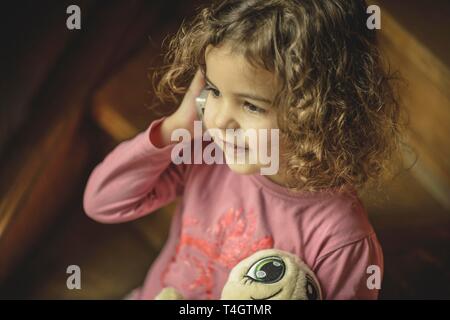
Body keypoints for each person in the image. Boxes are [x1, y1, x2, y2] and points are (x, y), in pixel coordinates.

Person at [83, 0, 403, 299]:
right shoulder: (206, 155)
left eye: (250, 105)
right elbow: (103, 202)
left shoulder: (341, 240)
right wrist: (176, 127)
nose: (220, 120)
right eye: (214, 90)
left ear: (321, 111)